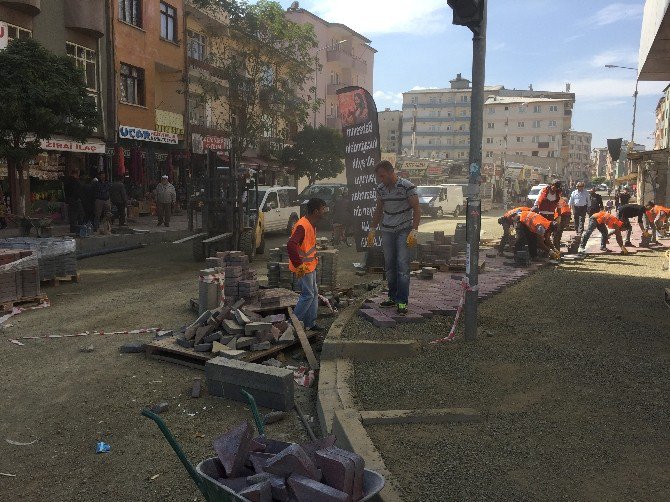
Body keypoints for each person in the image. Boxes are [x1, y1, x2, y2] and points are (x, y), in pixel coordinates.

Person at [367, 160, 421, 315]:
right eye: (379, 177)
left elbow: (417, 209)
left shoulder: (407, 187)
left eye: (383, 176)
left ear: (391, 172)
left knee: (402, 265)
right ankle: (392, 297)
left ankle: (402, 302)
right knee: (389, 265)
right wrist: (372, 229)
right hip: (387, 230)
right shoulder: (381, 189)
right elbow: (379, 210)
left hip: (404, 229)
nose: (381, 180)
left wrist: (414, 230)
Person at [288, 198, 327, 332]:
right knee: (308, 295)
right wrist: (299, 265)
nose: (324, 211)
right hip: (303, 267)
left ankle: (310, 323)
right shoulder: (302, 225)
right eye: (323, 209)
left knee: (314, 293)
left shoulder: (310, 224)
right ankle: (292, 325)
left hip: (309, 266)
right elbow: (291, 245)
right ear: (316, 211)